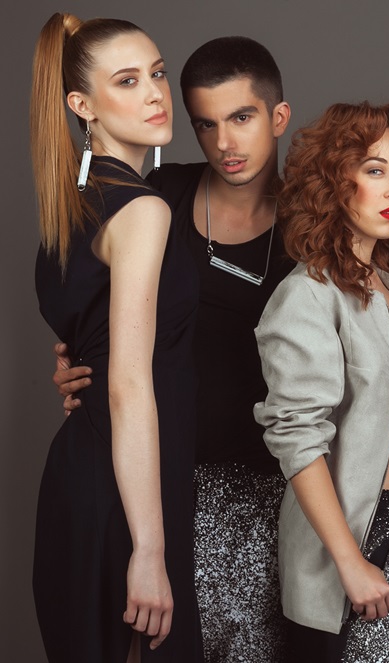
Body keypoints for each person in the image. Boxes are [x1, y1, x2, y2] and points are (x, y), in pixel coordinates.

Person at [52, 36, 294, 661]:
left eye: (241, 118)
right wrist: (81, 360)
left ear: (278, 117)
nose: (225, 142)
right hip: (162, 478)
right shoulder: (161, 193)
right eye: (206, 124)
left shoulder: (315, 221)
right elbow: (103, 311)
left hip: (270, 488)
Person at [31, 13, 201, 662]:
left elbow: (88, 341)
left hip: (88, 475)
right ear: (83, 106)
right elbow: (128, 384)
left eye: (157, 73)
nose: (156, 93)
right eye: (128, 81)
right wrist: (149, 551)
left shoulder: (71, 204)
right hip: (125, 493)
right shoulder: (143, 210)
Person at [253, 101, 389, 662]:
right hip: (354, 534)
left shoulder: (385, 281)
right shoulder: (307, 293)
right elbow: (297, 438)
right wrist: (349, 560)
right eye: (374, 170)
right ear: (334, 181)